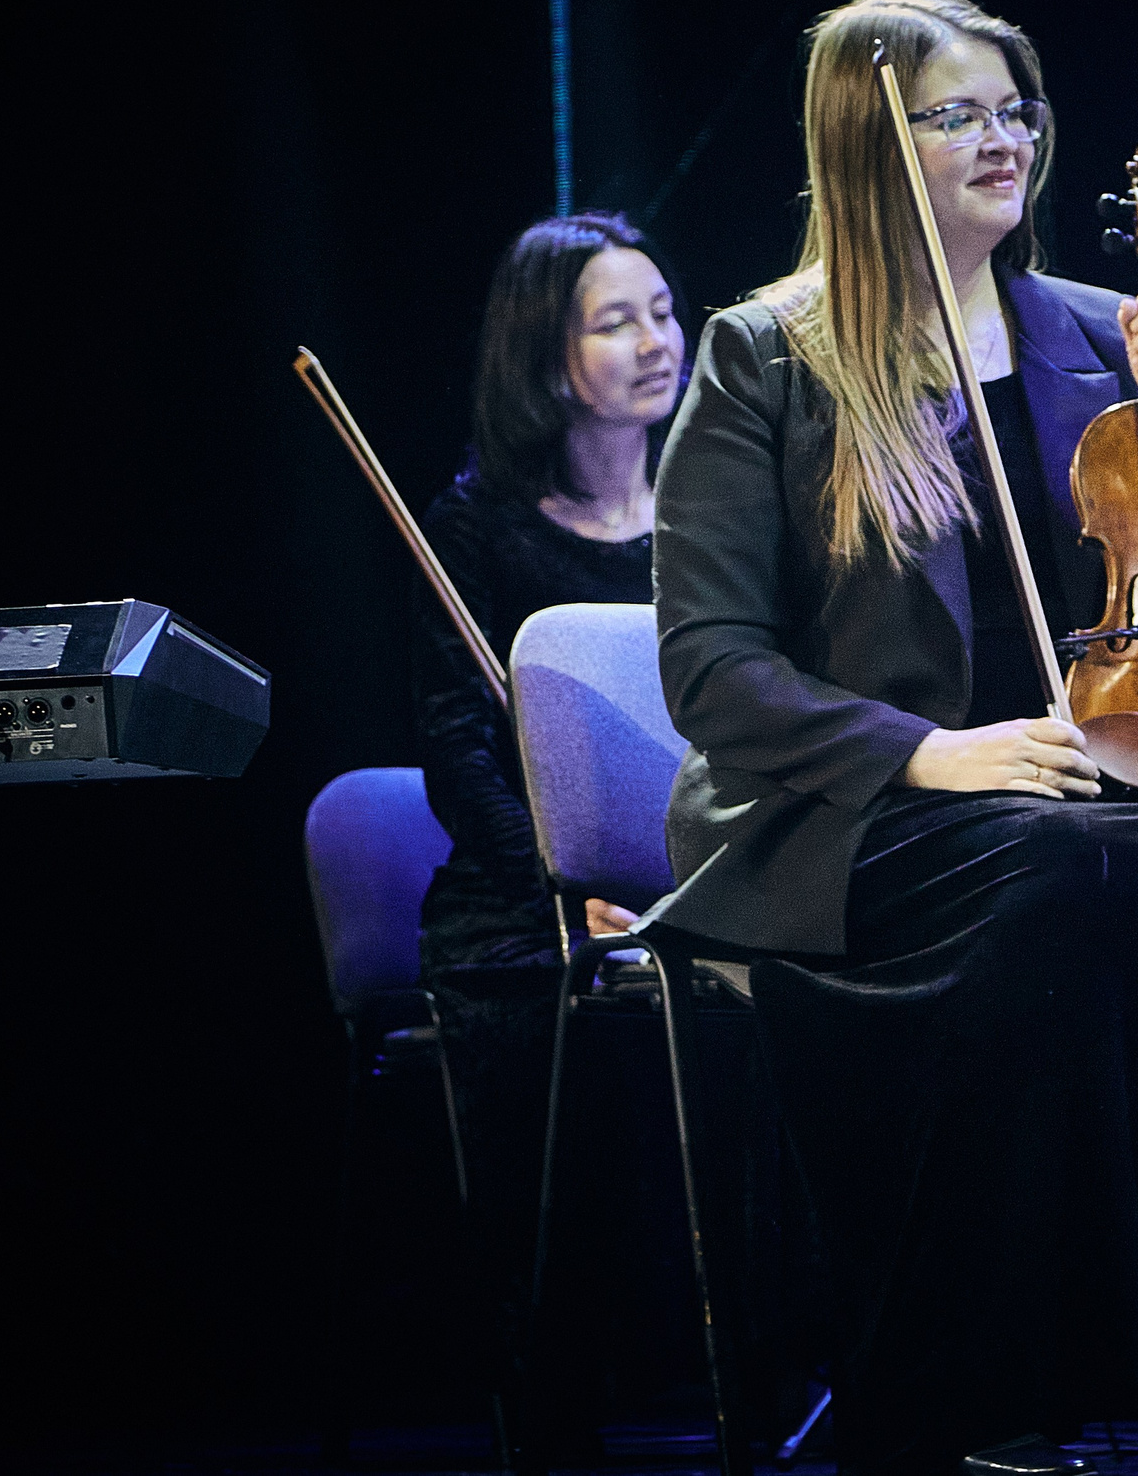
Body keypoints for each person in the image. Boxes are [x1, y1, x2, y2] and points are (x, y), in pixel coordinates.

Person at [647, 0, 1138, 1476]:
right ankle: (972, 1401)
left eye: (1016, 109)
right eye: (961, 115)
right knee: (1059, 879)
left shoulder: (1085, 334)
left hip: (1065, 792)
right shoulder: (768, 356)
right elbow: (710, 669)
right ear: (871, 142)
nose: (1006, 140)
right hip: (855, 818)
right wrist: (933, 750)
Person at [410, 208, 684, 1401]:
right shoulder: (477, 530)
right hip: (527, 897)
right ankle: (552, 1399)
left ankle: (772, 1382)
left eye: (664, 313)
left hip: (693, 881)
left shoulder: (716, 520)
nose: (655, 342)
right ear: (545, 355)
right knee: (540, 1034)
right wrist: (567, 890)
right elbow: (458, 749)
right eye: (615, 322)